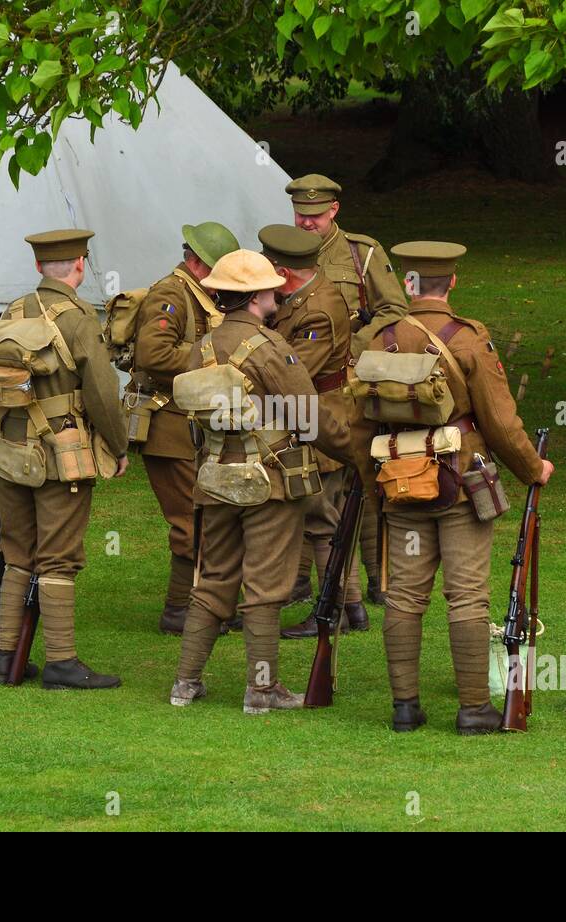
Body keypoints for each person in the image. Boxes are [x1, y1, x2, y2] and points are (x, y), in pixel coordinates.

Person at [368, 241, 554, 734]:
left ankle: (405, 708)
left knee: (405, 596)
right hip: (461, 481)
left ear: (408, 284)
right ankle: (474, 709)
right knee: (467, 597)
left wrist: (377, 478)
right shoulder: (470, 339)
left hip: (401, 480)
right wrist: (533, 468)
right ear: (451, 282)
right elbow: (499, 420)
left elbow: (353, 420)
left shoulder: (378, 338)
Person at [168, 249, 322, 715]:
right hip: (268, 482)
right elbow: (308, 416)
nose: (277, 293)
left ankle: (185, 683)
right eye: (271, 288)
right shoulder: (271, 347)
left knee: (213, 578)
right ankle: (261, 688)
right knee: (265, 586)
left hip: (215, 476)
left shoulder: (202, 347)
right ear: (256, 297)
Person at [0, 230, 129, 689]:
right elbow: (103, 392)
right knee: (58, 557)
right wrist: (118, 446)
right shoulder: (80, 318)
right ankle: (61, 662)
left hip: (8, 449)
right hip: (62, 455)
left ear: (39, 267)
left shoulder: (12, 312)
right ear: (80, 264)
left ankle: (7, 658)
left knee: (17, 552)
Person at [286, 173, 408, 606]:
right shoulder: (282, 249)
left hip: (353, 383)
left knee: (366, 477)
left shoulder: (362, 252)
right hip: (302, 383)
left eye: (315, 216)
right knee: (303, 476)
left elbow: (395, 308)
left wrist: (351, 342)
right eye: (301, 215)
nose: (307, 224)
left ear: (334, 210)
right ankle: (300, 583)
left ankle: (378, 581)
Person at [255, 224, 367, 638]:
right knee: (327, 517)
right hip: (311, 415)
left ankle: (333, 610)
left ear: (283, 271)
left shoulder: (316, 308)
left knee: (321, 519)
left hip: (315, 418)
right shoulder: (304, 297)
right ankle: (351, 605)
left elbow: (294, 372)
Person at [128, 222, 240, 634]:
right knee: (189, 521)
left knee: (204, 516)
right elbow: (153, 355)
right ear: (195, 262)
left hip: (189, 425)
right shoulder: (171, 294)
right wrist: (213, 359)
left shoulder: (197, 293)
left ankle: (205, 604)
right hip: (168, 427)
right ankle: (180, 610)